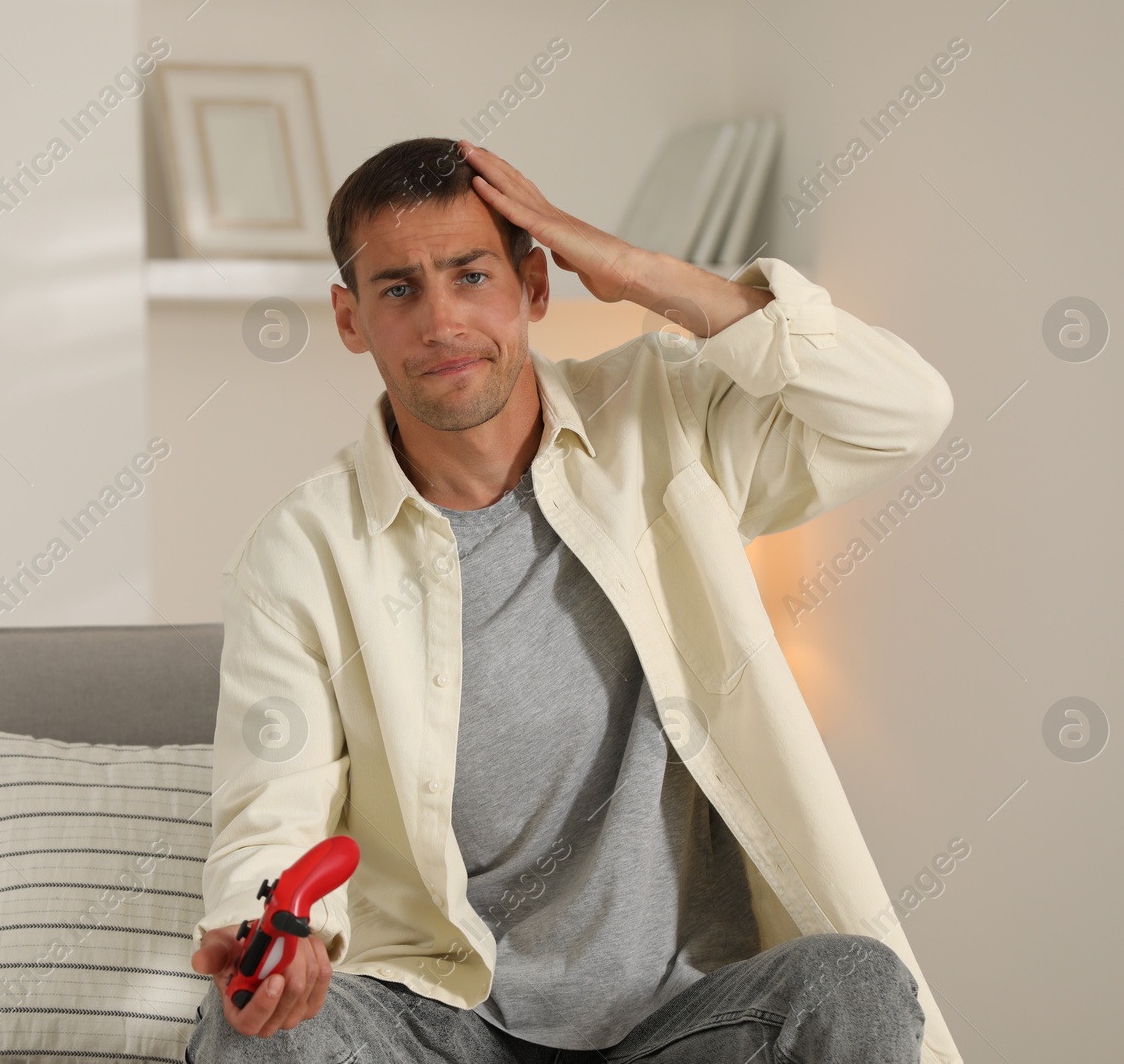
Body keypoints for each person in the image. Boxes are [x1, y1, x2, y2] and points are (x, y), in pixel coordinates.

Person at [184, 135, 964, 1064]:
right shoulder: (298, 553)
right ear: (351, 319)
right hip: (444, 1021)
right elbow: (274, 803)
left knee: (852, 983)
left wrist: (642, 274)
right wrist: (274, 936)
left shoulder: (663, 419)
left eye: (471, 275)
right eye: (399, 289)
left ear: (537, 290)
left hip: (685, 1019)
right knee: (249, 1041)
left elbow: (905, 410)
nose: (440, 321)